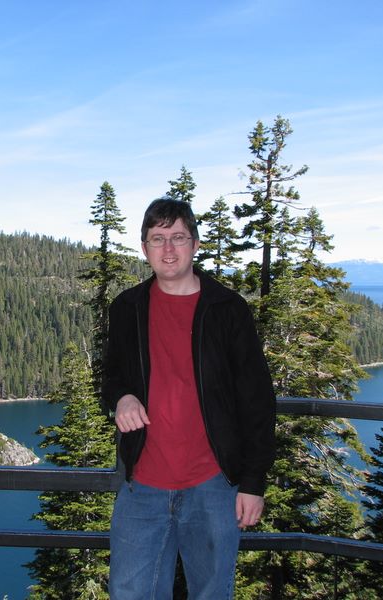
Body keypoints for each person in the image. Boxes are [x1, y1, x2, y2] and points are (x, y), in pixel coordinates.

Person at [103, 198, 276, 599]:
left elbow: (257, 399)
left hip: (213, 485)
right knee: (129, 593)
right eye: (157, 239)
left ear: (195, 245)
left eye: (178, 237)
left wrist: (253, 482)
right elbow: (111, 375)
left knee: (211, 593)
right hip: (142, 486)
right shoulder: (127, 308)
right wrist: (122, 398)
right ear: (144, 248)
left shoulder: (227, 309)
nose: (168, 249)